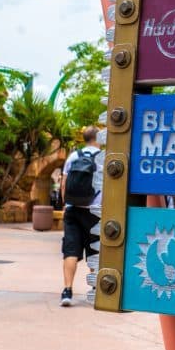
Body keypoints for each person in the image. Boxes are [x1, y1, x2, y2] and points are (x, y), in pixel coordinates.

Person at [59, 126, 102, 307]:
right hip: (95, 210)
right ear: (98, 138)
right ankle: (94, 290)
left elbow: (64, 183)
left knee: (70, 251)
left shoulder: (73, 156)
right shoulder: (104, 157)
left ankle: (67, 290)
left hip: (73, 209)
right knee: (95, 251)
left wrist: (66, 204)